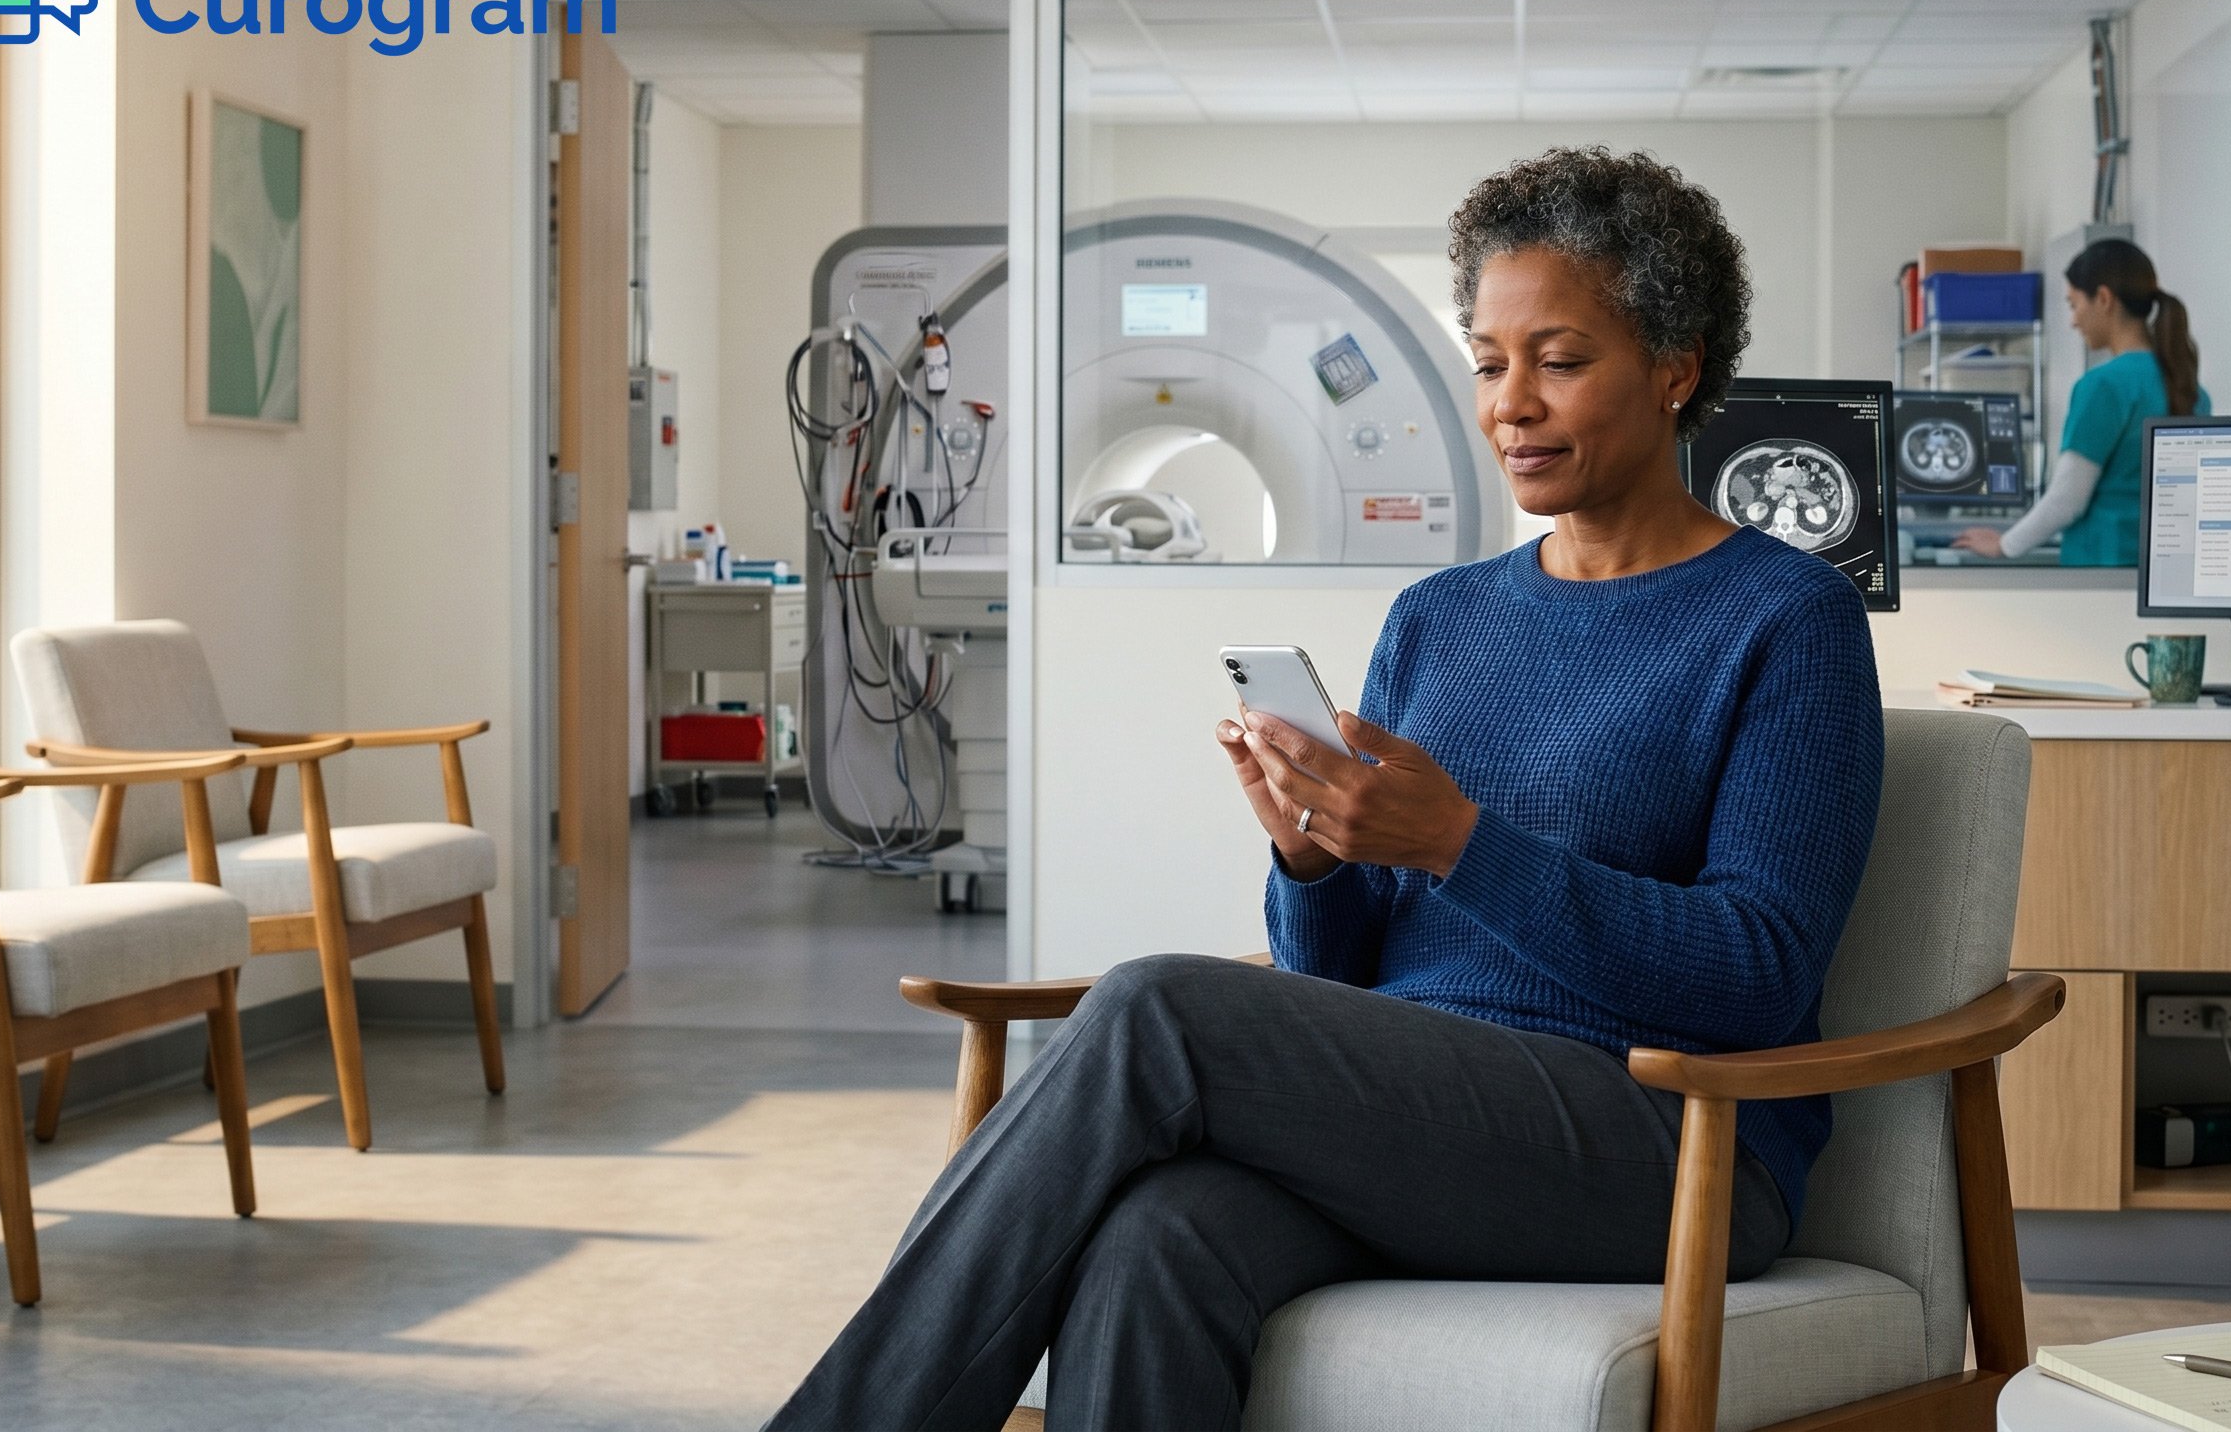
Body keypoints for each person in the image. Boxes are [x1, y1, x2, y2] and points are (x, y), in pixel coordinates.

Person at [765, 147, 1885, 1432]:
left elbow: (1756, 975)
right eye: (1488, 362)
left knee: (1156, 1008)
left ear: (1677, 368)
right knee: (1158, 1239)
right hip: (1431, 1115)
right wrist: (1312, 859)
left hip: (1666, 1139)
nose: (1509, 404)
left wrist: (1464, 845)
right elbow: (1336, 979)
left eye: (1560, 362)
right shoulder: (1440, 618)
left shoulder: (1785, 619)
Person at [1954, 238, 2207, 565]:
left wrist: (2004, 544)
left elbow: (2068, 500)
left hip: (2102, 573)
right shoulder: (2191, 389)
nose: (2073, 321)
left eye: (2074, 305)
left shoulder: (2103, 385)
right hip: (2164, 571)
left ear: (2103, 299)